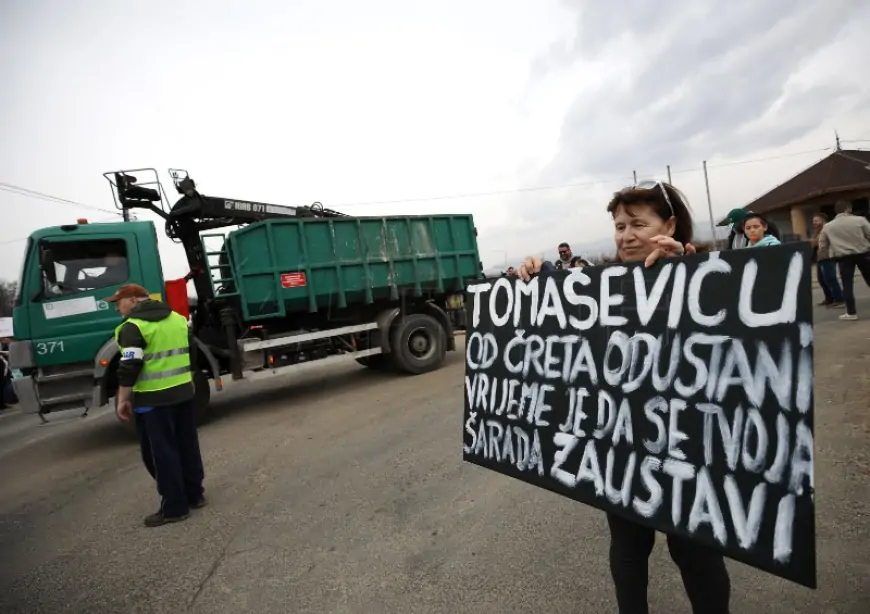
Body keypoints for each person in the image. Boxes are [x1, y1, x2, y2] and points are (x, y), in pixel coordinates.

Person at [518, 180, 730, 614]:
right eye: (618, 226)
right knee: (629, 547)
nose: (626, 235)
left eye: (639, 223)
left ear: (669, 224)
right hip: (623, 444)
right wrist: (534, 277)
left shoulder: (700, 270)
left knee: (696, 551)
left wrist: (687, 267)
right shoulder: (599, 289)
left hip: (688, 445)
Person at [106, 283, 206, 527]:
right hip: (183, 393)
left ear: (133, 299)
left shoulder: (132, 328)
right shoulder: (178, 319)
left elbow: (130, 366)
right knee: (187, 445)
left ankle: (174, 507)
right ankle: (195, 495)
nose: (117, 307)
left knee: (160, 454)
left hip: (152, 400)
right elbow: (192, 354)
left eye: (119, 301)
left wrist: (122, 399)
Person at [817, 201, 870, 321]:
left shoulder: (828, 226)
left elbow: (822, 246)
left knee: (847, 284)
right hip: (863, 253)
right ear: (848, 209)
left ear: (836, 211)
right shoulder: (860, 220)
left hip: (843, 257)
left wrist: (830, 252)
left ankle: (851, 313)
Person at [810, 213, 844, 307]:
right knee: (822, 280)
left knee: (830, 279)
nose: (814, 223)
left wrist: (813, 242)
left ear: (823, 220)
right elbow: (813, 243)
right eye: (814, 221)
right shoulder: (817, 231)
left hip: (828, 257)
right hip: (820, 258)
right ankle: (829, 298)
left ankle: (839, 298)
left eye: (816, 221)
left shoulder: (827, 229)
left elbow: (818, 242)